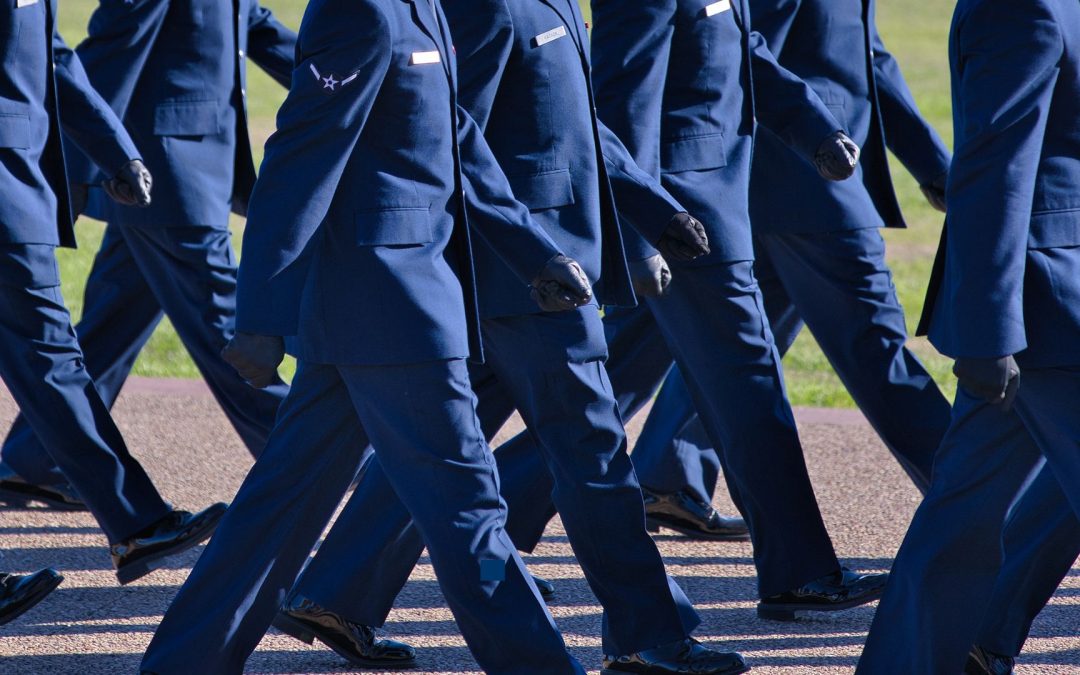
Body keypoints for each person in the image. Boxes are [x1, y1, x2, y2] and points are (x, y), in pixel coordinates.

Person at [139, 0, 635, 671]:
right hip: (391, 308)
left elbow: (458, 141)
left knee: (277, 507)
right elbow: (298, 158)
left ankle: (182, 661)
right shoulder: (357, 11)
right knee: (470, 511)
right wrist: (262, 316)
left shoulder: (422, 6)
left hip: (387, 310)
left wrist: (533, 253)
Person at [268, 2, 746, 673]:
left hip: (541, 272)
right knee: (595, 457)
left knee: (448, 456)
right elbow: (455, 141)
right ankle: (652, 634)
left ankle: (336, 591)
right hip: (526, 279)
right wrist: (530, 257)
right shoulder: (485, 6)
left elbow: (574, 119)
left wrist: (650, 206)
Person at [593, 0, 958, 533]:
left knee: (691, 353)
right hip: (786, 180)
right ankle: (977, 498)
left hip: (813, 171)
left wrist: (933, 165)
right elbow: (735, 55)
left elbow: (865, 54)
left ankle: (670, 471)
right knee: (870, 342)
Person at [0, 0, 298, 504]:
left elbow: (252, 20)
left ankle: (36, 459)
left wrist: (350, 79)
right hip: (164, 172)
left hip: (187, 166)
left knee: (109, 328)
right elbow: (110, 51)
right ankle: (312, 453)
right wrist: (78, 171)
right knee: (228, 325)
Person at [857, 0, 1080, 670]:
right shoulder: (1018, 8)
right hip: (1042, 305)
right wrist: (988, 332)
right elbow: (995, 167)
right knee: (963, 515)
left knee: (960, 517)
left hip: (1054, 297)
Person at [0, 0, 225, 585]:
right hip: (6, 192)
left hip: (18, 186)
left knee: (47, 355)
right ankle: (135, 524)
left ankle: (135, 525)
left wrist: (113, 147)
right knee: (47, 353)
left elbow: (50, 57)